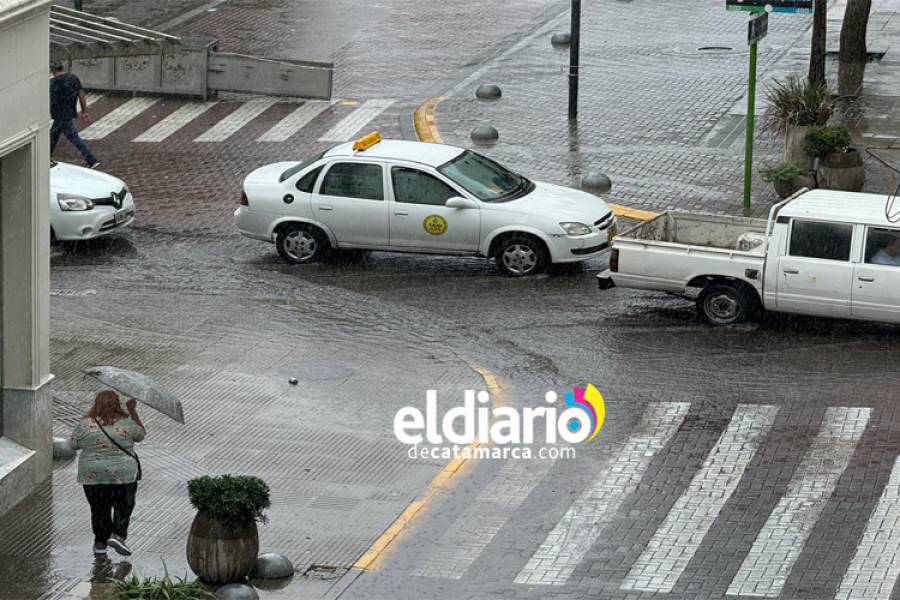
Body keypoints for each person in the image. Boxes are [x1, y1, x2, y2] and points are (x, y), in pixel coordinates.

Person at [71, 390, 145, 556]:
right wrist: (132, 410)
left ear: (96, 404)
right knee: (124, 505)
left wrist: (87, 419)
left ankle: (100, 543)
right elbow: (140, 435)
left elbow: (73, 444)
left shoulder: (86, 424)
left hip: (93, 475)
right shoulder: (126, 422)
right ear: (117, 404)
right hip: (123, 474)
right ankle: (118, 535)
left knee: (99, 508)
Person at [50, 62, 99, 169]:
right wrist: (84, 111)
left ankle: (91, 160)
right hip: (69, 112)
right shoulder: (73, 78)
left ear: (53, 70)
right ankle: (46, 157)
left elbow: (50, 99)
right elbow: (81, 94)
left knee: (73, 138)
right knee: (53, 136)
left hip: (60, 114)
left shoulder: (53, 82)